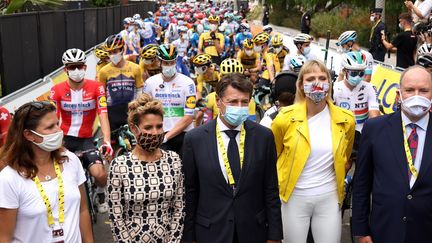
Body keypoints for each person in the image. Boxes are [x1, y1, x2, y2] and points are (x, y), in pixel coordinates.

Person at [182, 73, 283, 243]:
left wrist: (274, 236)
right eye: (233, 102)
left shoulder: (263, 136)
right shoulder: (195, 139)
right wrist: (189, 236)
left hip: (253, 231)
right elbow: (190, 192)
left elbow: (271, 189)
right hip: (210, 232)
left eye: (244, 102)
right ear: (219, 101)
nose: (239, 106)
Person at [271, 60, 355, 243]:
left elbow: (345, 156)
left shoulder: (346, 119)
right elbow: (273, 156)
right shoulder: (284, 119)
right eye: (311, 78)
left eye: (322, 78)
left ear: (329, 83)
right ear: (301, 85)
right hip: (293, 198)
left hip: (329, 198)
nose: (317, 83)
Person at [352, 65, 432, 243]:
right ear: (399, 94)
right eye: (410, 90)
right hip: (384, 230)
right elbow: (361, 184)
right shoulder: (374, 129)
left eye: (424, 90)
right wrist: (361, 230)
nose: (417, 96)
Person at [0, 101, 93, 243]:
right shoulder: (9, 178)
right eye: (50, 127)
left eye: (57, 124)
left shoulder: (70, 160)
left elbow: (83, 210)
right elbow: (4, 237)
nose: (58, 130)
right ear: (29, 135)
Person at [108, 93, 184, 242]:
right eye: (148, 127)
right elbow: (116, 217)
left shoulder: (174, 160)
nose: (155, 133)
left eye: (159, 126)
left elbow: (179, 208)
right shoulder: (119, 166)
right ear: (133, 128)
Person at [50, 48, 112, 213]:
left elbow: (103, 115)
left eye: (79, 66)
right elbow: (52, 120)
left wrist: (106, 140)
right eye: (72, 67)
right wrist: (55, 144)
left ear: (85, 67)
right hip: (64, 139)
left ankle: (100, 192)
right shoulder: (56, 90)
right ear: (65, 70)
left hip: (86, 139)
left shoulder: (97, 87)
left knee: (99, 174)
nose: (76, 70)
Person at [143, 44, 196, 157]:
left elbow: (189, 116)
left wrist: (167, 137)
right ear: (159, 62)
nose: (169, 65)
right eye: (166, 63)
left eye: (172, 62)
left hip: (183, 134)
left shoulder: (188, 83)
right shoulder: (150, 83)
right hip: (159, 134)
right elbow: (144, 110)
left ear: (176, 61)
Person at [99, 34, 143, 131]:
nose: (112, 55)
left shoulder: (136, 68)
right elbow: (101, 95)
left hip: (131, 110)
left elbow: (139, 89)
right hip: (112, 111)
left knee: (133, 143)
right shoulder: (103, 71)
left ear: (122, 49)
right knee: (113, 143)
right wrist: (102, 116)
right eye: (109, 52)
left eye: (115, 51)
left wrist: (139, 107)